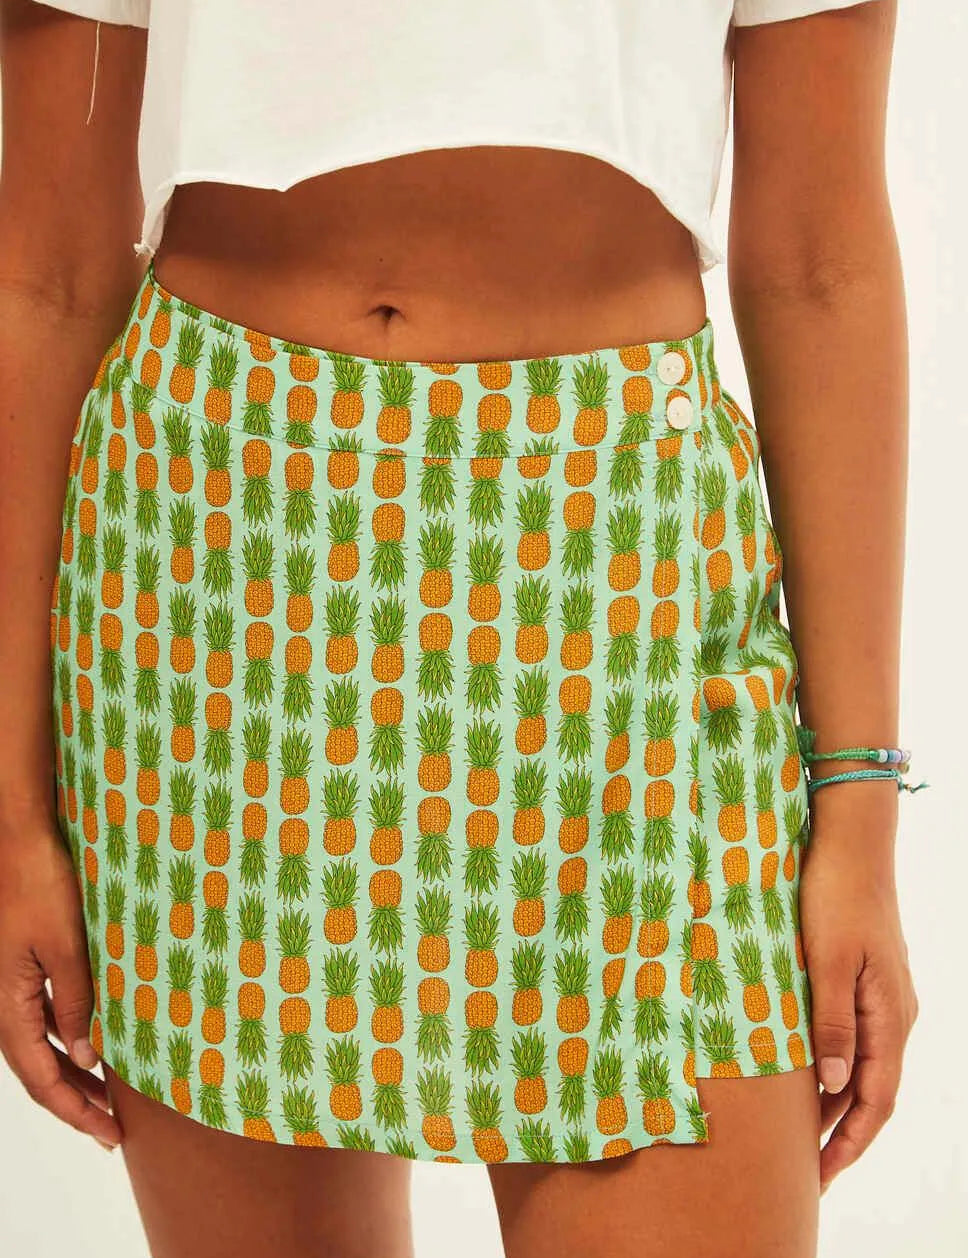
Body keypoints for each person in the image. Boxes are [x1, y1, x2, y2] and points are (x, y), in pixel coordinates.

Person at [0, 1, 921, 1256]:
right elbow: (47, 274)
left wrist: (856, 810)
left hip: (614, 571)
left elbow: (821, 265)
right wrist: (14, 812)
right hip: (222, 568)